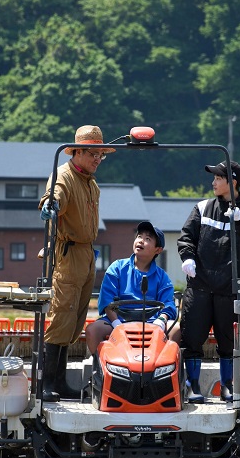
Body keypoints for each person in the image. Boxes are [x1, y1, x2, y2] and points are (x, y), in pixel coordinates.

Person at [38, 125, 115, 402]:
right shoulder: (64, 176)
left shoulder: (90, 182)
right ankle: (47, 383)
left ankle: (60, 381)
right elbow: (53, 195)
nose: (97, 159)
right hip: (68, 252)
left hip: (87, 253)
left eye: (101, 155)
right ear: (78, 151)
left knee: (76, 319)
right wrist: (51, 205)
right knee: (61, 316)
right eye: (93, 154)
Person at [177, 160, 240, 403]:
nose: (213, 182)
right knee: (192, 339)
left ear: (232, 182)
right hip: (199, 286)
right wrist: (187, 259)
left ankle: (227, 385)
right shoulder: (202, 208)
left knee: (228, 342)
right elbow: (186, 238)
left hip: (229, 290)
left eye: (218, 178)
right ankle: (193, 387)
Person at [86, 222, 177, 355]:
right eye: (139, 236)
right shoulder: (116, 267)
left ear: (158, 250)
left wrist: (161, 321)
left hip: (152, 322)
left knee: (176, 329)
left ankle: (163, 370)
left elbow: (168, 304)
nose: (141, 241)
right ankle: (100, 371)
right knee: (92, 330)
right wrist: (116, 323)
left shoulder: (162, 277)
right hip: (118, 319)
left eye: (148, 239)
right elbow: (107, 300)